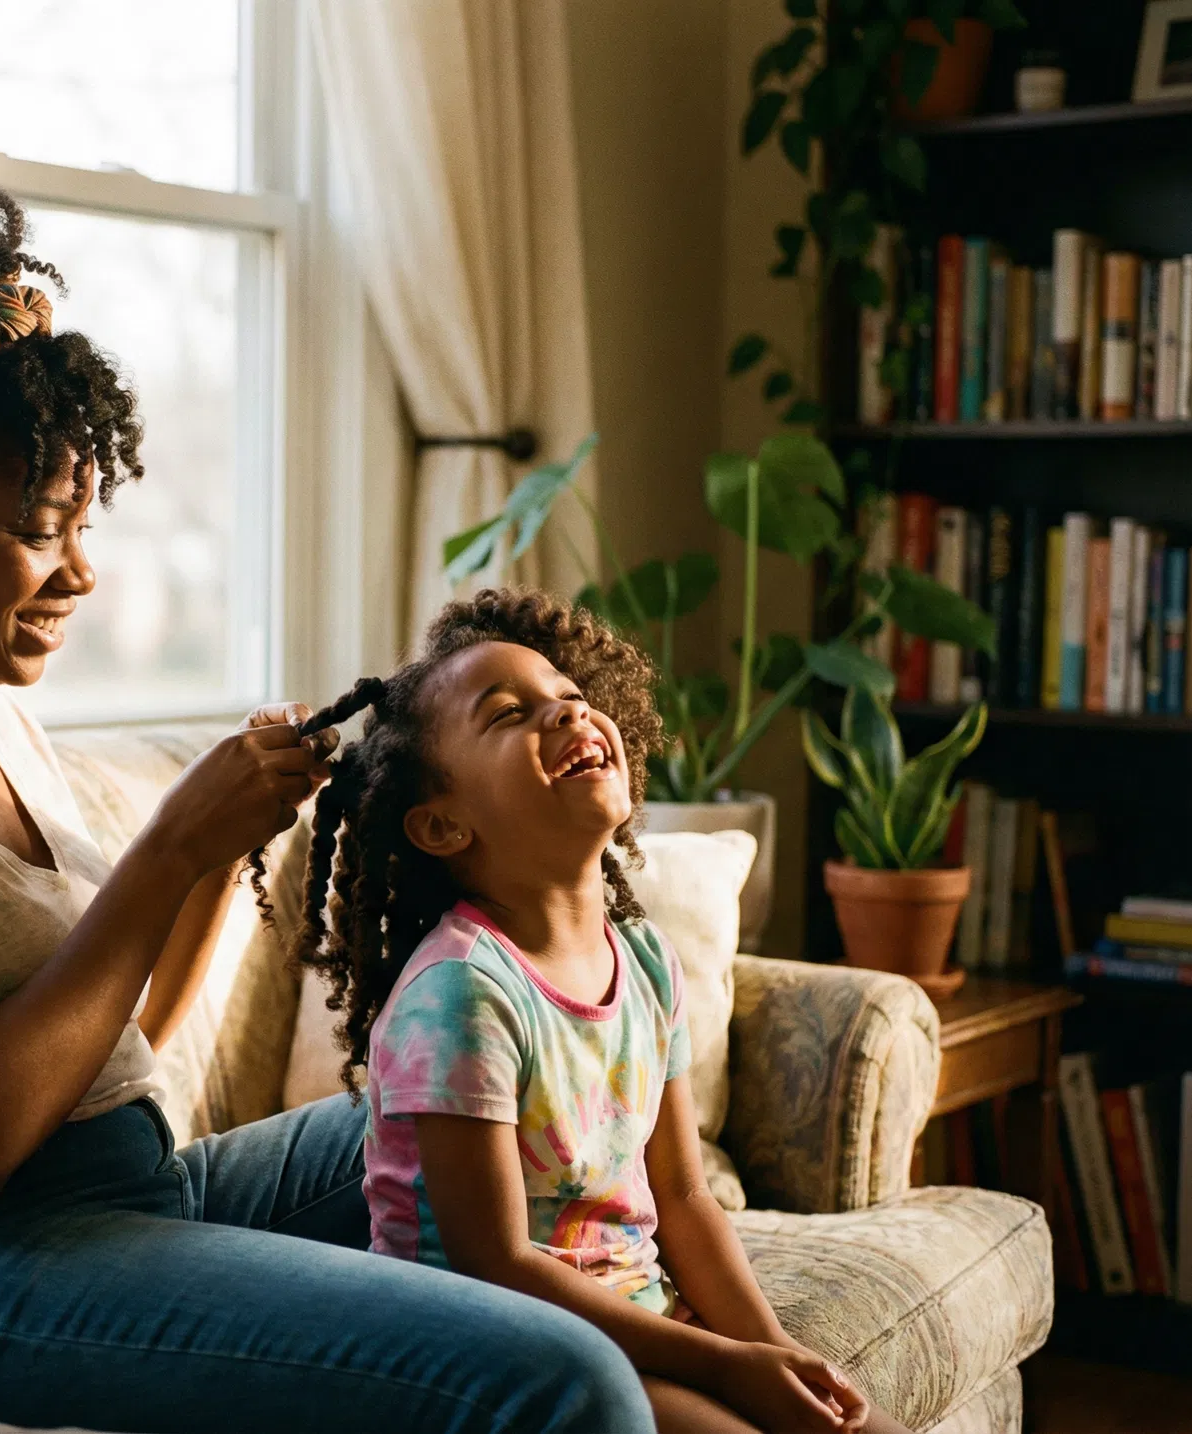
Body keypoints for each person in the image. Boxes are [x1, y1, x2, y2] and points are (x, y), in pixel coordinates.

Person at [0, 165, 654, 1434]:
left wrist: (222, 852)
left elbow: (119, 1037)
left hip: (120, 1191)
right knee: (551, 1378)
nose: (81, 572)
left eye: (86, 521)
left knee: (490, 1117)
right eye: (40, 528)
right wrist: (171, 840)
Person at [279, 588, 913, 1434]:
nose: (566, 715)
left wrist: (776, 1359)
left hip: (630, 1322)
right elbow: (496, 1264)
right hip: (492, 1354)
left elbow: (683, 1196)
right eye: (509, 715)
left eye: (571, 698)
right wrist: (724, 1363)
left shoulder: (644, 959)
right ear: (440, 826)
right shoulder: (461, 995)